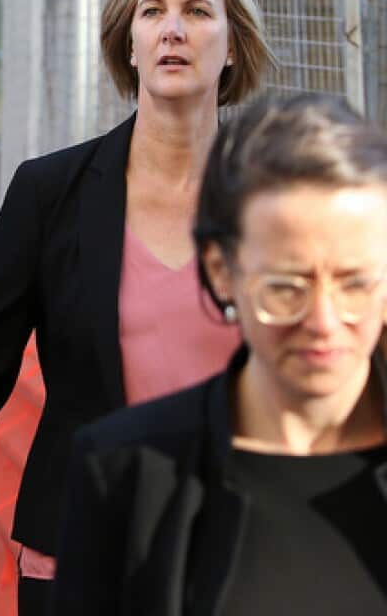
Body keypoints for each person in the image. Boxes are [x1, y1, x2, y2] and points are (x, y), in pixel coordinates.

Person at [0, 0, 275, 615]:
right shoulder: (52, 192)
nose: (173, 30)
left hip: (249, 549)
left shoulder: (282, 198)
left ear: (233, 46)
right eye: (152, 12)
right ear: (130, 45)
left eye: (197, 11)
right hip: (82, 549)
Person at [53, 92, 387, 614]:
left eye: (355, 283)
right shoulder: (124, 469)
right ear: (220, 271)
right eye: (286, 287)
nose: (323, 321)